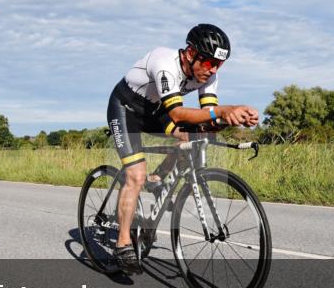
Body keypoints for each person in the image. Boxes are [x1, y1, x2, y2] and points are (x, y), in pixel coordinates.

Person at [107, 24, 259, 274]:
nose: (213, 70)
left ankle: (158, 178)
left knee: (195, 135)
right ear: (190, 53)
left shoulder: (210, 75)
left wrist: (231, 118)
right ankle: (122, 243)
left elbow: (207, 118)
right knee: (135, 175)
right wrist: (222, 110)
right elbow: (177, 113)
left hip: (156, 112)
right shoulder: (165, 62)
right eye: (209, 62)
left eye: (219, 65)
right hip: (126, 110)